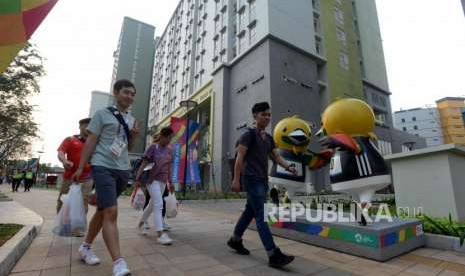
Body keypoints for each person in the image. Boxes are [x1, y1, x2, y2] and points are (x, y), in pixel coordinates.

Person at [72, 79, 140, 276]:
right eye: (126, 92)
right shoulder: (102, 114)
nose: (130, 96)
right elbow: (91, 141)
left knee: (102, 212)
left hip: (122, 169)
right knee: (111, 211)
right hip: (103, 166)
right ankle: (119, 263)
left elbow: (129, 147)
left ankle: (85, 247)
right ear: (116, 93)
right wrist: (81, 167)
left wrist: (134, 135)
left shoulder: (131, 119)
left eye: (132, 94)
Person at [228, 102, 296, 268]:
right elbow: (239, 159)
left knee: (249, 212)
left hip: (262, 180)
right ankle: (273, 254)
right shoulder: (248, 135)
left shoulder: (269, 139)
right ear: (255, 116)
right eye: (263, 114)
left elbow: (276, 157)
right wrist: (236, 180)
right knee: (261, 215)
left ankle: (235, 240)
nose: (267, 117)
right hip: (252, 179)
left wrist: (288, 166)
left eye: (268, 115)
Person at [134, 127, 175, 245]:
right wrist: (137, 178)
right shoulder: (153, 147)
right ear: (162, 136)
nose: (169, 140)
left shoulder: (169, 150)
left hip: (162, 181)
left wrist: (171, 182)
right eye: (168, 138)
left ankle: (141, 223)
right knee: (158, 204)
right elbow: (144, 163)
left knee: (152, 205)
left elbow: (169, 167)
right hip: (151, 180)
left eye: (171, 138)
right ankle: (160, 234)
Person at [56, 118, 93, 226]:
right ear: (80, 127)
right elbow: (61, 152)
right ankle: (62, 224)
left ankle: (78, 227)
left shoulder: (94, 142)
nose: (87, 128)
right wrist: (64, 160)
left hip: (87, 178)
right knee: (63, 201)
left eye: (90, 126)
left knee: (83, 203)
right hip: (69, 177)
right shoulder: (70, 139)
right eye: (85, 125)